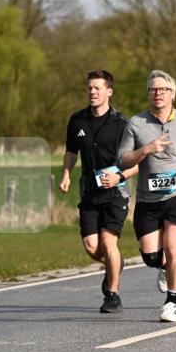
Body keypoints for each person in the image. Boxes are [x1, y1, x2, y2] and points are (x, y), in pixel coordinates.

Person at [119, 70, 176, 322]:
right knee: (151, 256)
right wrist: (146, 150)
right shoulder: (136, 123)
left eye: (162, 89)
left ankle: (172, 303)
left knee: (174, 250)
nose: (157, 94)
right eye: (152, 89)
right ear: (148, 93)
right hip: (148, 200)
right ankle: (162, 267)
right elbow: (122, 159)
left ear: (173, 94)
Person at [59, 70, 135, 314]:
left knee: (107, 242)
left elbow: (136, 162)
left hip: (116, 193)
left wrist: (119, 176)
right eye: (89, 88)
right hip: (90, 193)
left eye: (97, 88)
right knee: (92, 247)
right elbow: (71, 151)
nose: (92, 92)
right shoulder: (77, 120)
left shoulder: (123, 124)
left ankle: (112, 295)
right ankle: (116, 264)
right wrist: (66, 174)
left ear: (109, 92)